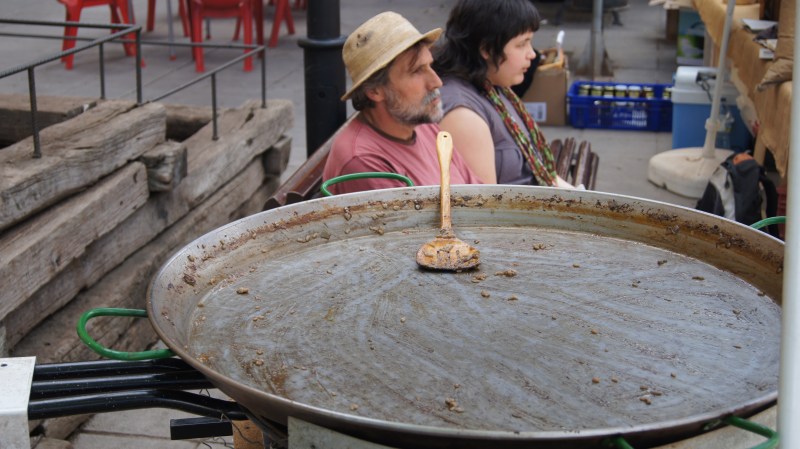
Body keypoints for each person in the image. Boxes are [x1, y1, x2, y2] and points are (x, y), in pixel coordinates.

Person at [322, 11, 482, 195]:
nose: (436, 82)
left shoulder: (422, 125)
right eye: (417, 71)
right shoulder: (363, 161)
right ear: (375, 91)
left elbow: (477, 194)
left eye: (430, 66)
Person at [433, 0, 573, 188]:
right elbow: (487, 202)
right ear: (487, 49)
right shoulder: (461, 115)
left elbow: (545, 174)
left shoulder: (493, 86)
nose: (532, 54)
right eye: (522, 44)